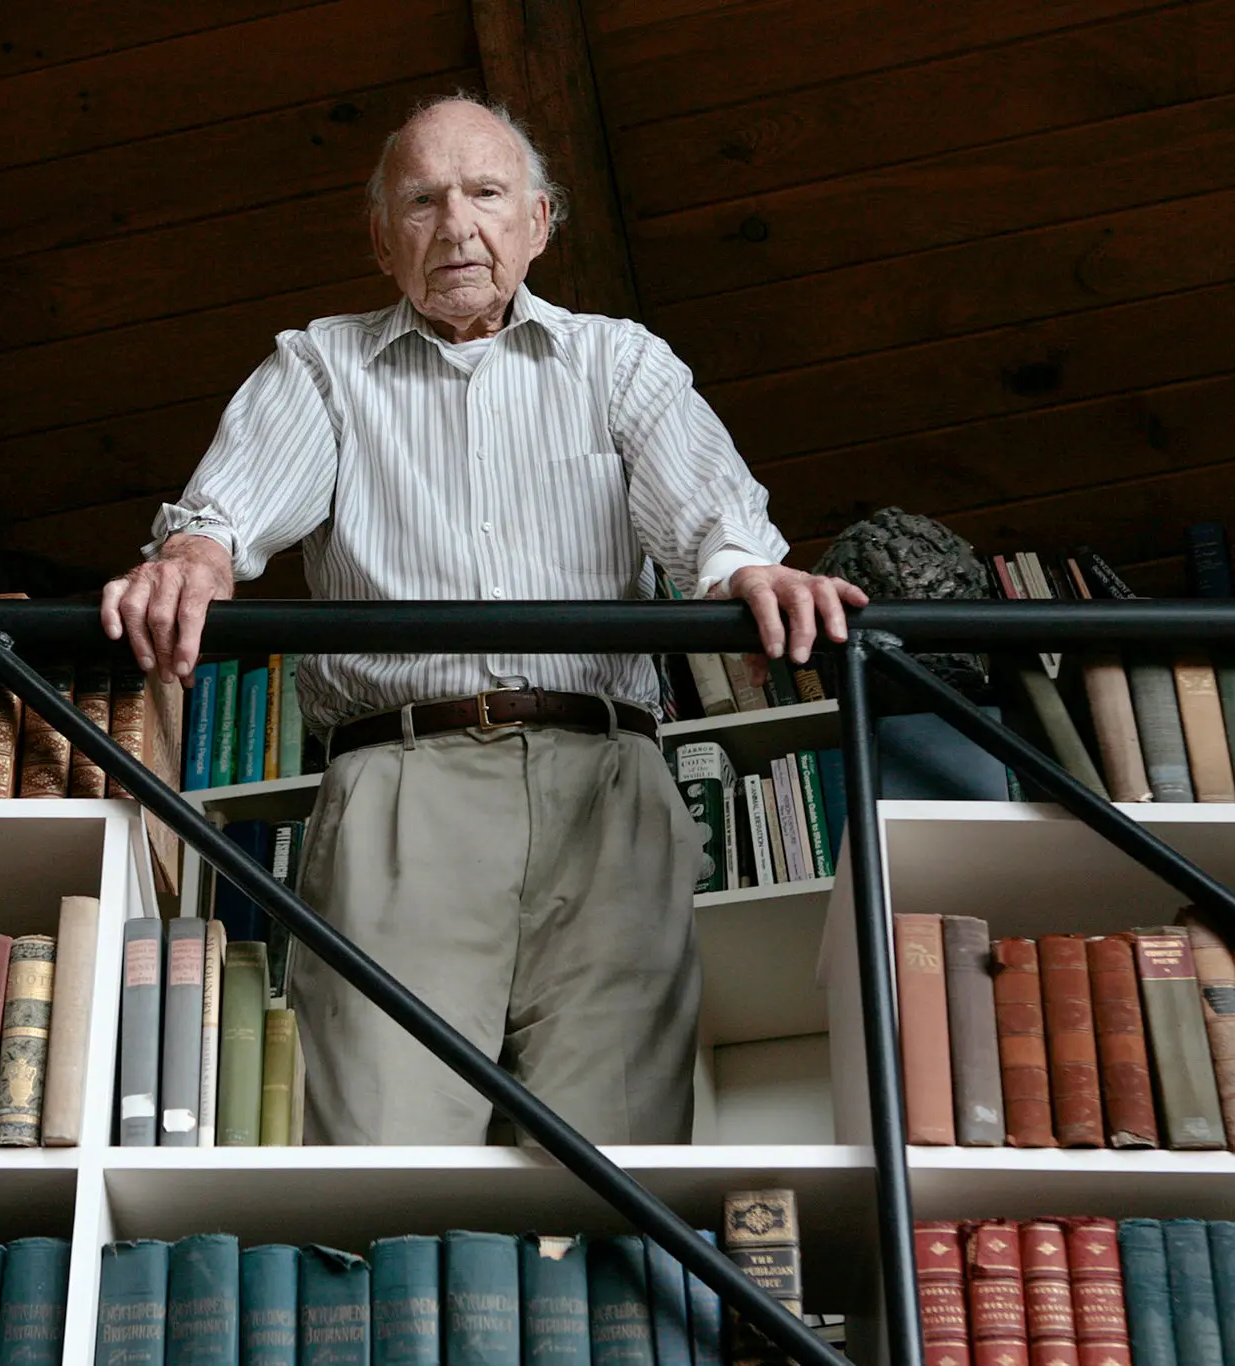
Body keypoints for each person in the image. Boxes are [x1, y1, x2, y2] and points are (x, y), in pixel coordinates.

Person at [100, 95, 867, 1146]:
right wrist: (194, 552)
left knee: (618, 1161)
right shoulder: (322, 367)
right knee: (382, 1151)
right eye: (421, 199)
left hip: (608, 783)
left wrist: (747, 573)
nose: (455, 224)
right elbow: (220, 519)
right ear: (382, 239)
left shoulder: (621, 361)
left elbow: (714, 529)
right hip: (401, 785)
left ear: (538, 222)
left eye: (485, 194)